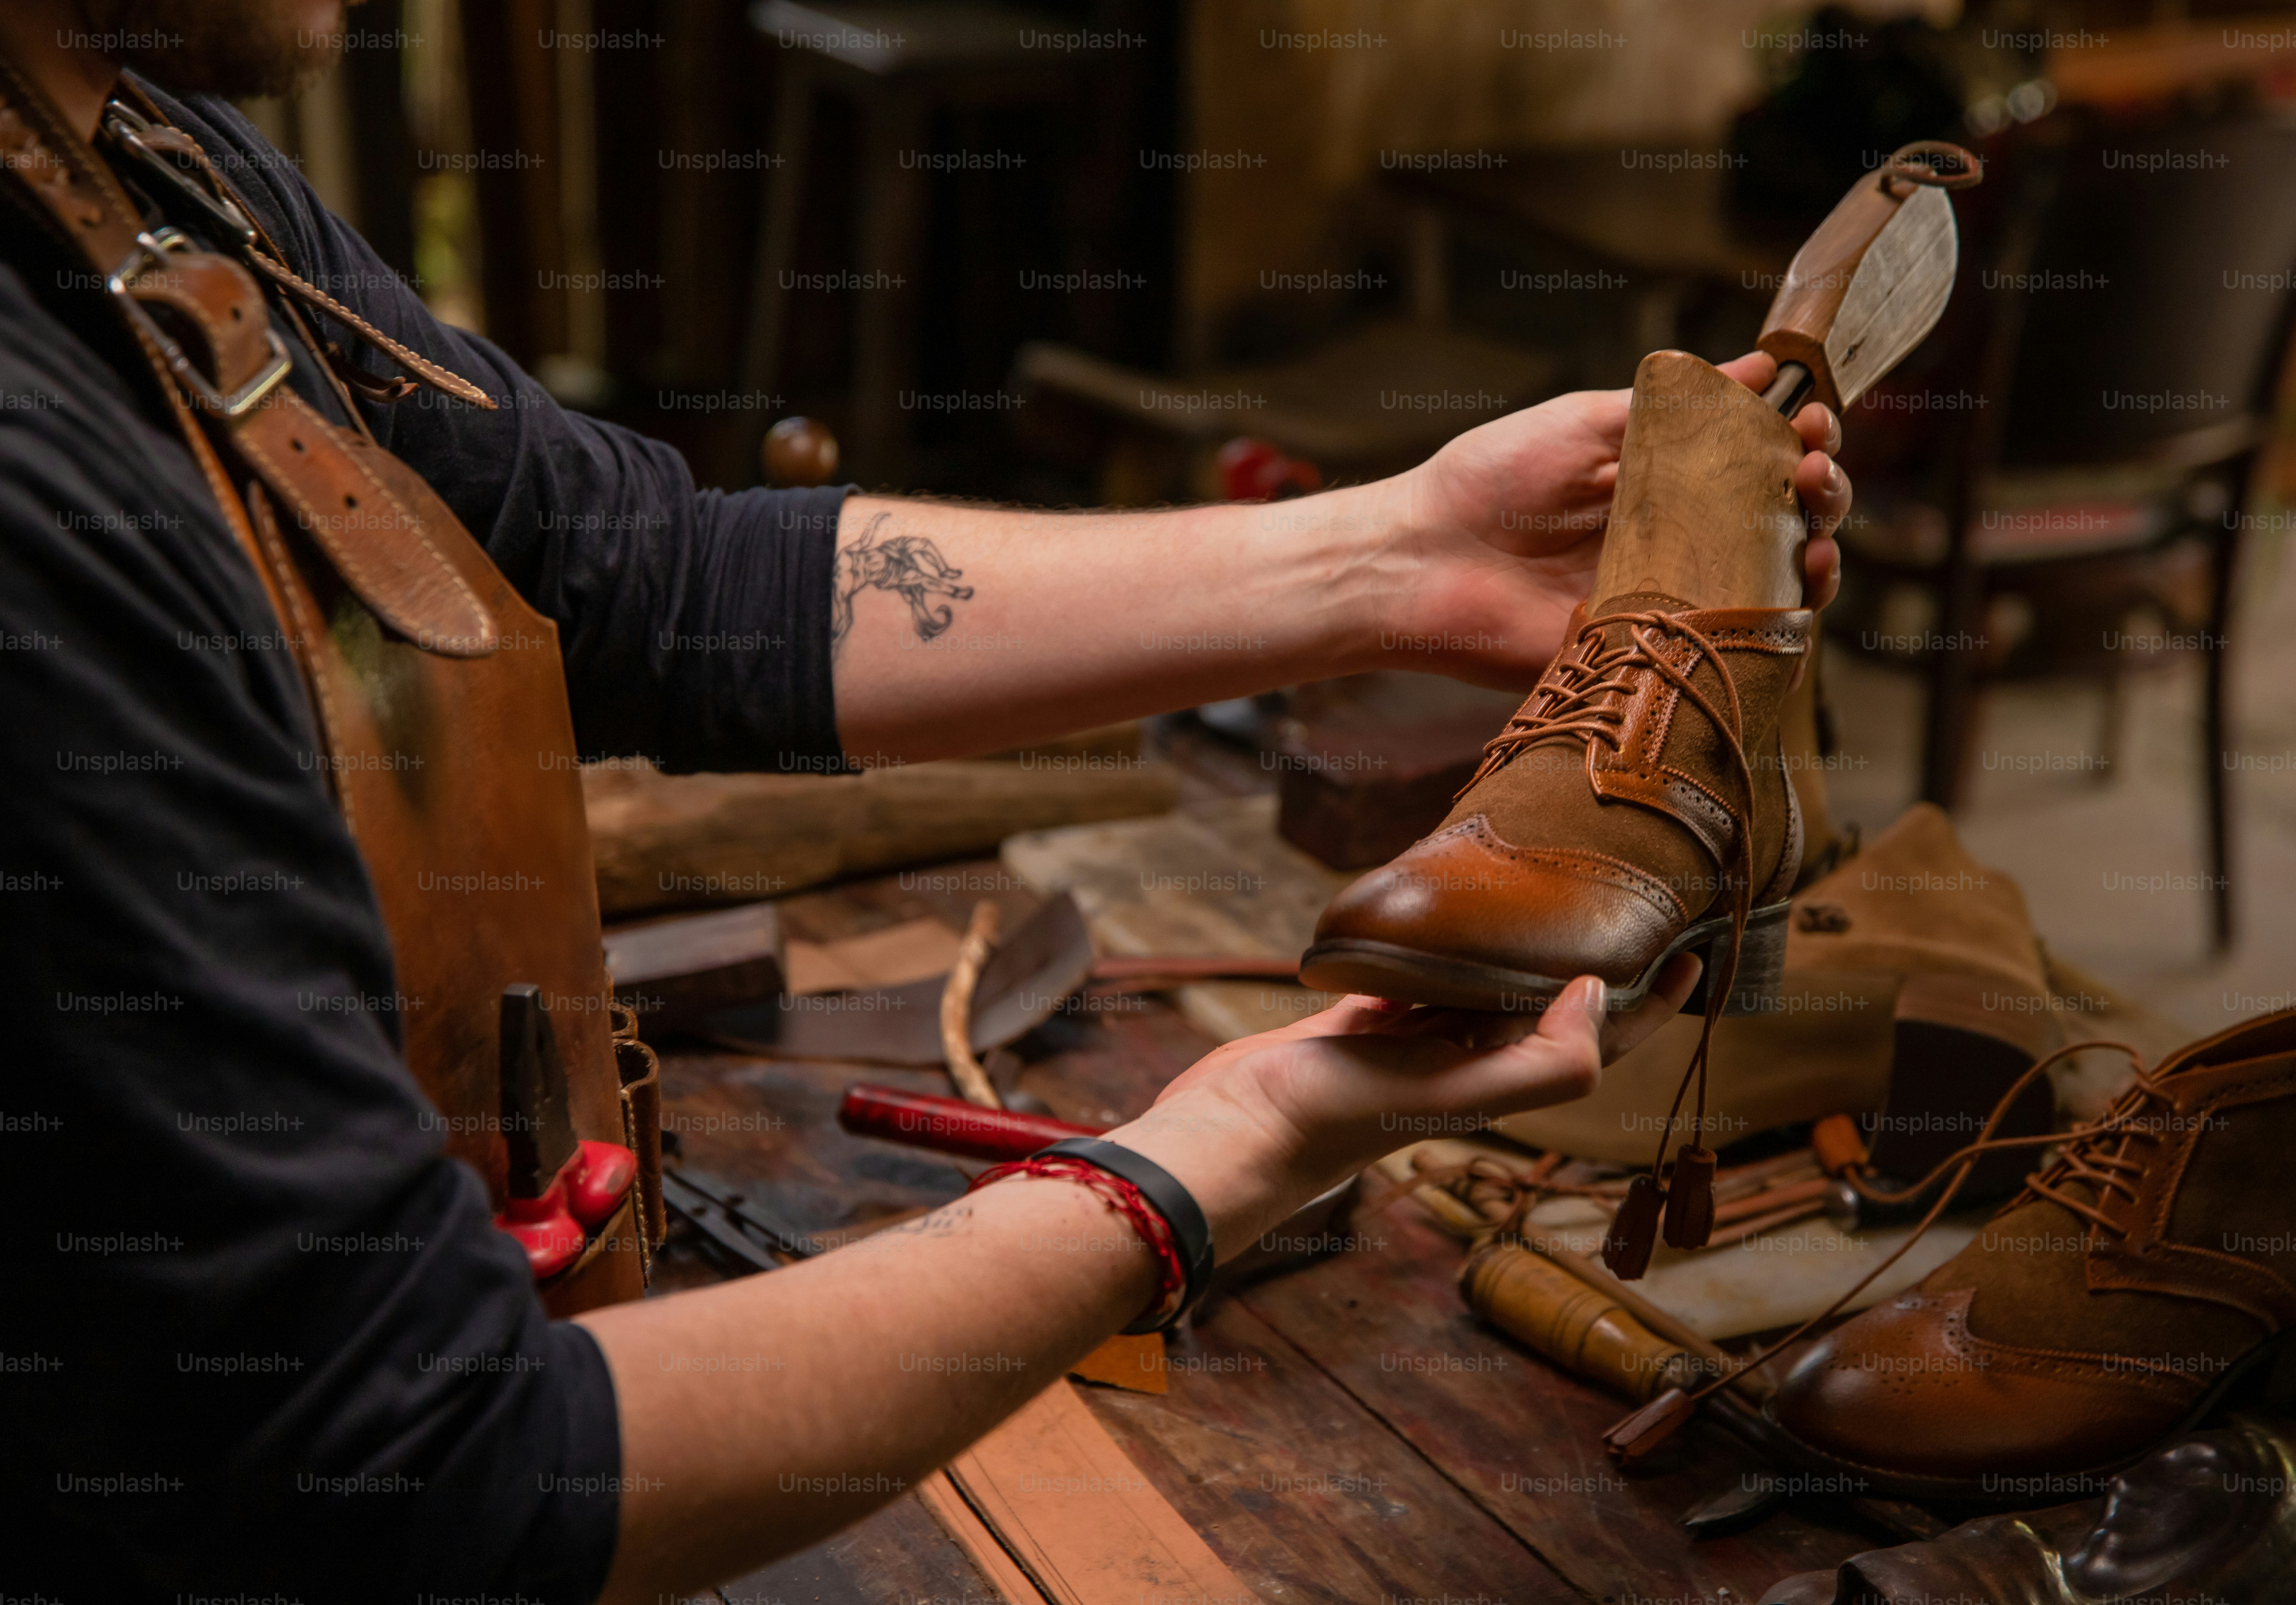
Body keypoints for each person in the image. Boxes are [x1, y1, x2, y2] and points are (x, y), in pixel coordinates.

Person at [0, 3, 1852, 1599]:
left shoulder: (133, 158)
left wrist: (1399, 553)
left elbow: (632, 576)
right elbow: (421, 1471)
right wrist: (1230, 1143)